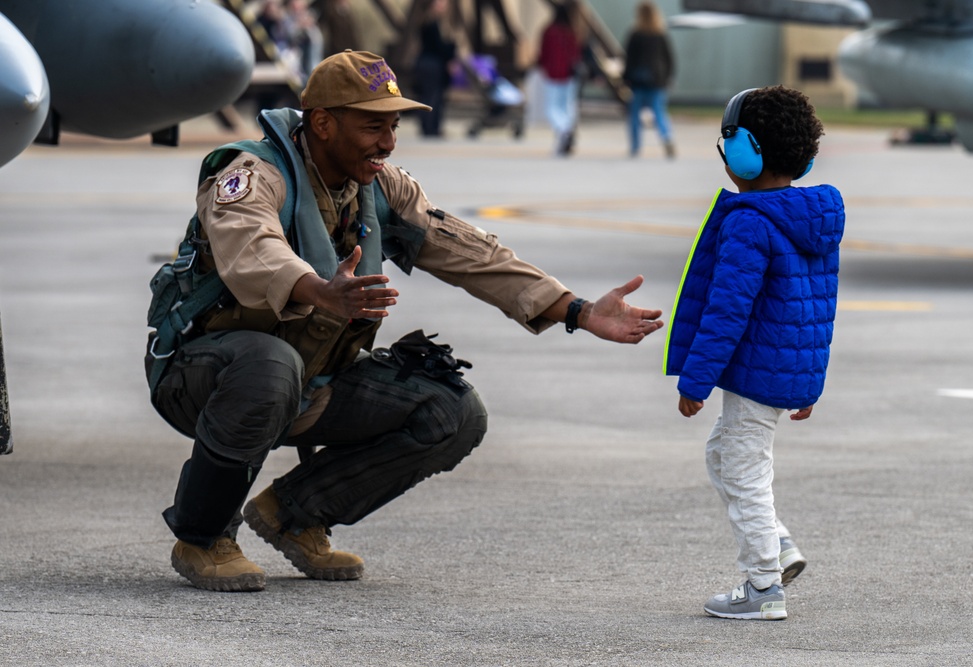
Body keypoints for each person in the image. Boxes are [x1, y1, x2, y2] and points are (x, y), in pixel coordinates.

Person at [145, 49, 664, 592]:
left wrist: (577, 310)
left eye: (393, 126)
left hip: (310, 379)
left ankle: (294, 514)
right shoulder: (250, 174)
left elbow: (471, 253)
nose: (388, 142)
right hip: (204, 375)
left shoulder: (381, 186)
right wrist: (320, 291)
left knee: (452, 411)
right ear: (322, 123)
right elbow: (252, 249)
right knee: (269, 363)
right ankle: (203, 538)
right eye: (373, 126)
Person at [663, 86, 843, 620]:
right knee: (723, 455)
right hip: (781, 370)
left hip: (753, 375)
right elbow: (816, 306)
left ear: (745, 151)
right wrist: (807, 383)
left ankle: (763, 586)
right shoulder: (811, 215)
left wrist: (695, 381)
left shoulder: (748, 220)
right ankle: (779, 546)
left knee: (743, 470)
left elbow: (727, 312)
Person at [622, 2, 676, 159]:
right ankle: (667, 138)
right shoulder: (661, 34)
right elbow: (669, 59)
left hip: (638, 82)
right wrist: (667, 78)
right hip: (657, 81)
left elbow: (629, 60)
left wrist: (625, 79)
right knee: (659, 113)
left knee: (634, 115)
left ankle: (635, 146)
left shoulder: (635, 34)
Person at [537, 3, 581, 156]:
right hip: (570, 75)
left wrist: (540, 66)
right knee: (565, 108)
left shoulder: (549, 31)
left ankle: (565, 131)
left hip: (553, 73)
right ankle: (563, 138)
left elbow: (543, 52)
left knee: (551, 109)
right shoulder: (571, 32)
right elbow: (576, 54)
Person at [411, 0, 457, 137]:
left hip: (427, 63)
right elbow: (438, 47)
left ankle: (429, 127)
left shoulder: (428, 21)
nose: (443, 5)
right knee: (433, 97)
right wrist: (451, 55)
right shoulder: (432, 23)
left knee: (430, 96)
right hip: (432, 64)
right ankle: (431, 128)